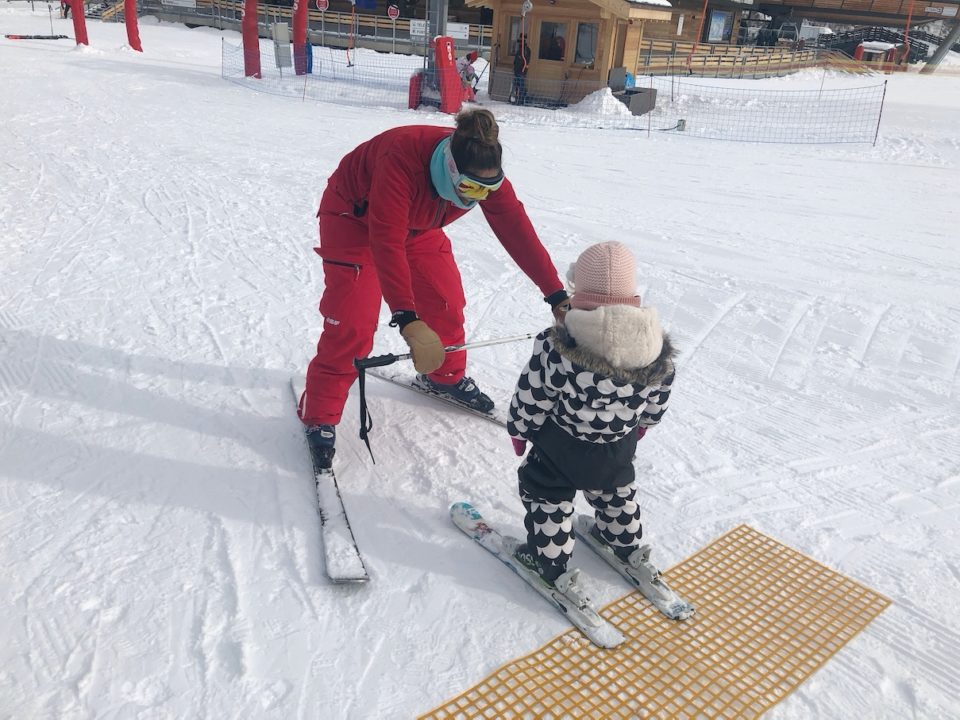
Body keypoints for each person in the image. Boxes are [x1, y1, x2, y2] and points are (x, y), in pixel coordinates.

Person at [299, 108, 570, 469]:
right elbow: (386, 241)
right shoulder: (402, 158)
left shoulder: (480, 167)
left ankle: (444, 378)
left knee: (445, 302)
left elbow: (517, 230)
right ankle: (320, 412)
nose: (477, 198)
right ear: (451, 168)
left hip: (418, 225)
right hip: (356, 217)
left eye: (488, 190)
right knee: (353, 322)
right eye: (471, 187)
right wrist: (407, 318)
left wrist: (556, 295)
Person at [506, 241, 676, 590]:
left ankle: (549, 562)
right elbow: (660, 391)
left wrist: (519, 428)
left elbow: (533, 393)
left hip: (561, 447)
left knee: (546, 495)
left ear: (578, 290)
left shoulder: (559, 347)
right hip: (618, 446)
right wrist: (644, 424)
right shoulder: (653, 347)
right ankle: (626, 545)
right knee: (614, 491)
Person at [512, 40, 530, 105]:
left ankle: (520, 100)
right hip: (517, 71)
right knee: (516, 85)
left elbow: (525, 61)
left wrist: (523, 69)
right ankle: (516, 99)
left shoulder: (525, 51)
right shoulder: (520, 51)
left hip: (521, 71)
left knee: (520, 86)